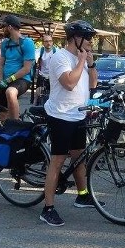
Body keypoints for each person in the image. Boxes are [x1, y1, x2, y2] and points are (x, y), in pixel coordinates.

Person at [40, 20, 99, 227]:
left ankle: (82, 196)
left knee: (78, 159)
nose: (91, 42)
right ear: (76, 38)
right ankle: (47, 209)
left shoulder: (80, 58)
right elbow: (69, 83)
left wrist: (90, 64)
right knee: (57, 161)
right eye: (88, 38)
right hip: (60, 116)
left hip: (78, 115)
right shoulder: (60, 57)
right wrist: (82, 61)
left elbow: (92, 84)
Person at [0, 14, 35, 121]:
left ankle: (16, 124)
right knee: (2, 113)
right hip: (5, 80)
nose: (3, 30)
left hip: (22, 79)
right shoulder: (5, 44)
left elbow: (26, 69)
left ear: (9, 27)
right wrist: (0, 81)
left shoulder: (27, 43)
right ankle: (5, 132)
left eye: (4, 27)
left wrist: (9, 80)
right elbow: (1, 65)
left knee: (10, 92)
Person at [34, 32, 57, 103]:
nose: (48, 43)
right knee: (38, 93)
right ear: (43, 43)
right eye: (46, 41)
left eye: (50, 41)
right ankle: (35, 104)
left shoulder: (57, 52)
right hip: (42, 75)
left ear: (52, 42)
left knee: (54, 95)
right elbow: (34, 58)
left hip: (53, 76)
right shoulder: (39, 51)